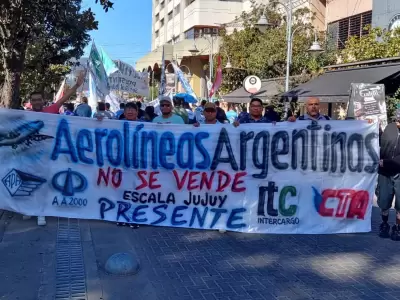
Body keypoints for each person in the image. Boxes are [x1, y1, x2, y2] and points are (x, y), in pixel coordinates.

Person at [26, 70, 86, 226]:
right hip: (29, 156)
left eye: (39, 99)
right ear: (31, 102)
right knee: (29, 182)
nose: (37, 102)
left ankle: (41, 212)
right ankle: (29, 209)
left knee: (43, 183)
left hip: (47, 155)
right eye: (34, 100)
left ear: (43, 101)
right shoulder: (25, 115)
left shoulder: (50, 110)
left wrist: (77, 85)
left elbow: (64, 98)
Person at [377, 119, 400, 241]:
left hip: (398, 171)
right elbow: (379, 144)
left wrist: (385, 162)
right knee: (383, 201)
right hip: (385, 173)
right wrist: (376, 129)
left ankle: (398, 227)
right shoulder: (389, 128)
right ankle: (384, 224)